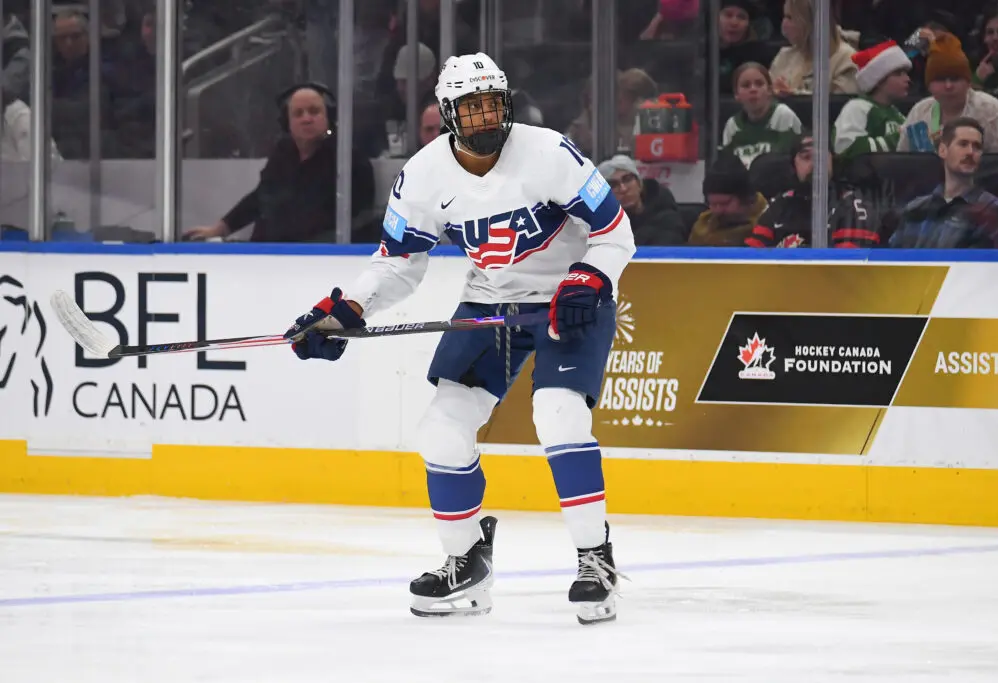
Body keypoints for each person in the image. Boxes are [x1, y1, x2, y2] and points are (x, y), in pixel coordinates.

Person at [281, 53, 636, 624]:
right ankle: (466, 561)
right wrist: (347, 307)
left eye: (491, 103)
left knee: (558, 414)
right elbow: (399, 264)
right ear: (448, 114)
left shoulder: (548, 153)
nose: (484, 117)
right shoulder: (422, 176)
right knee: (441, 431)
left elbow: (615, 232)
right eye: (470, 108)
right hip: (489, 304)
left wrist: (590, 278)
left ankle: (596, 561)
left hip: (568, 302)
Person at [184, 83, 374, 242]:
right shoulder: (284, 153)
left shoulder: (348, 157)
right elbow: (259, 198)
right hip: (265, 255)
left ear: (329, 117)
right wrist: (220, 228)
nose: (306, 118)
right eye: (298, 113)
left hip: (317, 260)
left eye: (314, 111)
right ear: (287, 123)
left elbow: (360, 219)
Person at [889, 117, 998, 248]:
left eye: (977, 147)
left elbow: (979, 264)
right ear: (943, 150)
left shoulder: (989, 207)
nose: (970, 152)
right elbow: (894, 257)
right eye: (963, 144)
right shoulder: (916, 207)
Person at [746, 135, 879, 248]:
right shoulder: (779, 206)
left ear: (832, 161)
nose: (815, 164)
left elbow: (847, 267)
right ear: (794, 165)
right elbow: (750, 260)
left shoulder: (853, 207)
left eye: (821, 157)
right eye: (806, 157)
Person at [832, 40, 911, 159]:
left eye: (906, 73)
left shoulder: (897, 115)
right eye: (899, 73)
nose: (907, 79)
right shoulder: (857, 108)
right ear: (878, 80)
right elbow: (846, 147)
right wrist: (902, 139)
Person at [721, 62, 802, 168]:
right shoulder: (732, 126)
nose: (753, 89)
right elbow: (727, 168)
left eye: (759, 84)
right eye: (746, 85)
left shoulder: (783, 115)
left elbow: (790, 164)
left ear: (769, 90)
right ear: (736, 94)